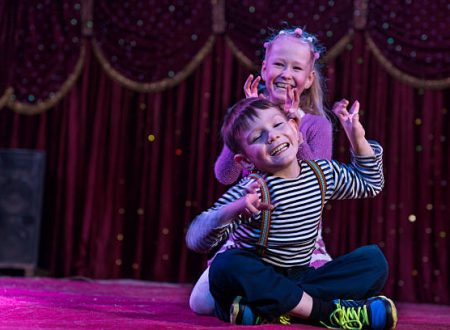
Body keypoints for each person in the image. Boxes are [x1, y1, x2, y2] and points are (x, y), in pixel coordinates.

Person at [186, 97, 397, 329]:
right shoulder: (252, 191)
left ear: (296, 129)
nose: (272, 136)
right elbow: (196, 239)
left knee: (374, 262)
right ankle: (327, 313)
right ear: (245, 160)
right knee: (225, 265)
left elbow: (370, 183)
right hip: (260, 278)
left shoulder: (322, 174)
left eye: (277, 125)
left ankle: (269, 309)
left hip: (301, 277)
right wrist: (232, 210)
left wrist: (357, 137)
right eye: (257, 137)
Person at [189, 27, 333, 315]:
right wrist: (244, 119)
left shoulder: (316, 125)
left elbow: (319, 183)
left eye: (296, 67)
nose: (286, 73)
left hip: (296, 239)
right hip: (250, 234)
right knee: (201, 303)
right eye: (279, 64)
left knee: (323, 285)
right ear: (265, 68)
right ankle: (271, 304)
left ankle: (272, 304)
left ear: (309, 78)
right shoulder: (248, 116)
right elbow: (226, 175)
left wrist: (295, 128)